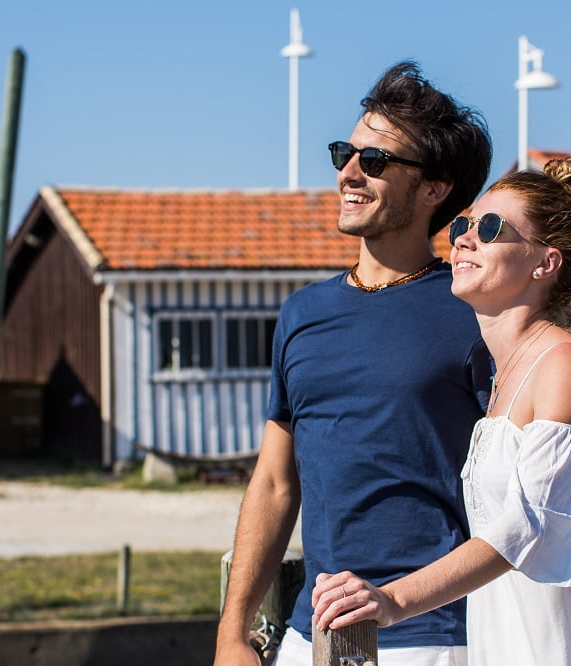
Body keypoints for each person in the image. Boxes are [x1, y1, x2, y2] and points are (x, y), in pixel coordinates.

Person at [311, 153, 571, 664]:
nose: (463, 239)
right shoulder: (503, 379)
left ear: (545, 262)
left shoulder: (565, 361)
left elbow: (528, 524)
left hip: (566, 650)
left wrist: (393, 599)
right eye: (463, 224)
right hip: (506, 643)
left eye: (491, 227)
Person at [215, 61, 494, 666]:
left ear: (434, 188)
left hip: (439, 638)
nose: (347, 172)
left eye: (374, 161)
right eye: (346, 152)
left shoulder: (478, 315)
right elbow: (272, 482)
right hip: (309, 635)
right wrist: (231, 633)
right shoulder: (301, 314)